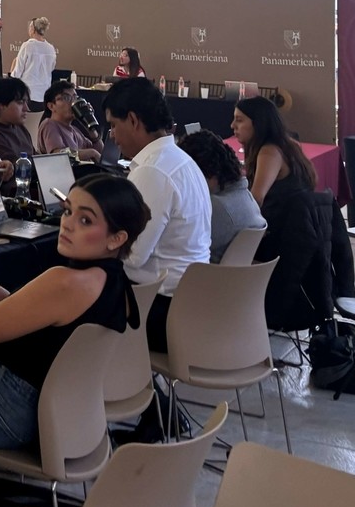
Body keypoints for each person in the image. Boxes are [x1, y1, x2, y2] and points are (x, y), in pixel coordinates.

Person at [0, 176, 148, 449]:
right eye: (68, 211)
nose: (67, 223)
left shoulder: (64, 282)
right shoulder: (118, 285)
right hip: (52, 413)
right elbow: (57, 334)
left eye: (85, 220)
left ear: (116, 238)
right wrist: (13, 305)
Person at [102, 77, 211, 352]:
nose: (111, 135)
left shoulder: (153, 171)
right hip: (191, 305)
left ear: (133, 120)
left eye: (113, 125)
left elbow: (133, 256)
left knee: (67, 305)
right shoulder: (182, 160)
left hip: (161, 310)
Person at [178, 130, 265, 262]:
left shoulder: (217, 208)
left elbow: (179, 247)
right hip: (228, 272)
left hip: (203, 272)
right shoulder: (244, 196)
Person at [232, 94, 316, 208]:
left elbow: (256, 199)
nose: (232, 125)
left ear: (259, 122)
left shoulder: (270, 152)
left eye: (239, 120)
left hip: (284, 217)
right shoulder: (287, 143)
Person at [36, 82, 104, 163]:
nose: (72, 103)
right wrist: (91, 153)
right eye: (66, 98)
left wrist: (89, 124)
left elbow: (101, 154)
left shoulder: (75, 131)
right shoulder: (49, 125)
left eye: (75, 98)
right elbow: (58, 155)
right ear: (51, 106)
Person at [10, 16, 57, 103]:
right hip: (44, 94)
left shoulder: (27, 46)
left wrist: (12, 75)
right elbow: (51, 68)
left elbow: (18, 71)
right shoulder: (51, 48)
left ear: (33, 29)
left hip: (28, 93)